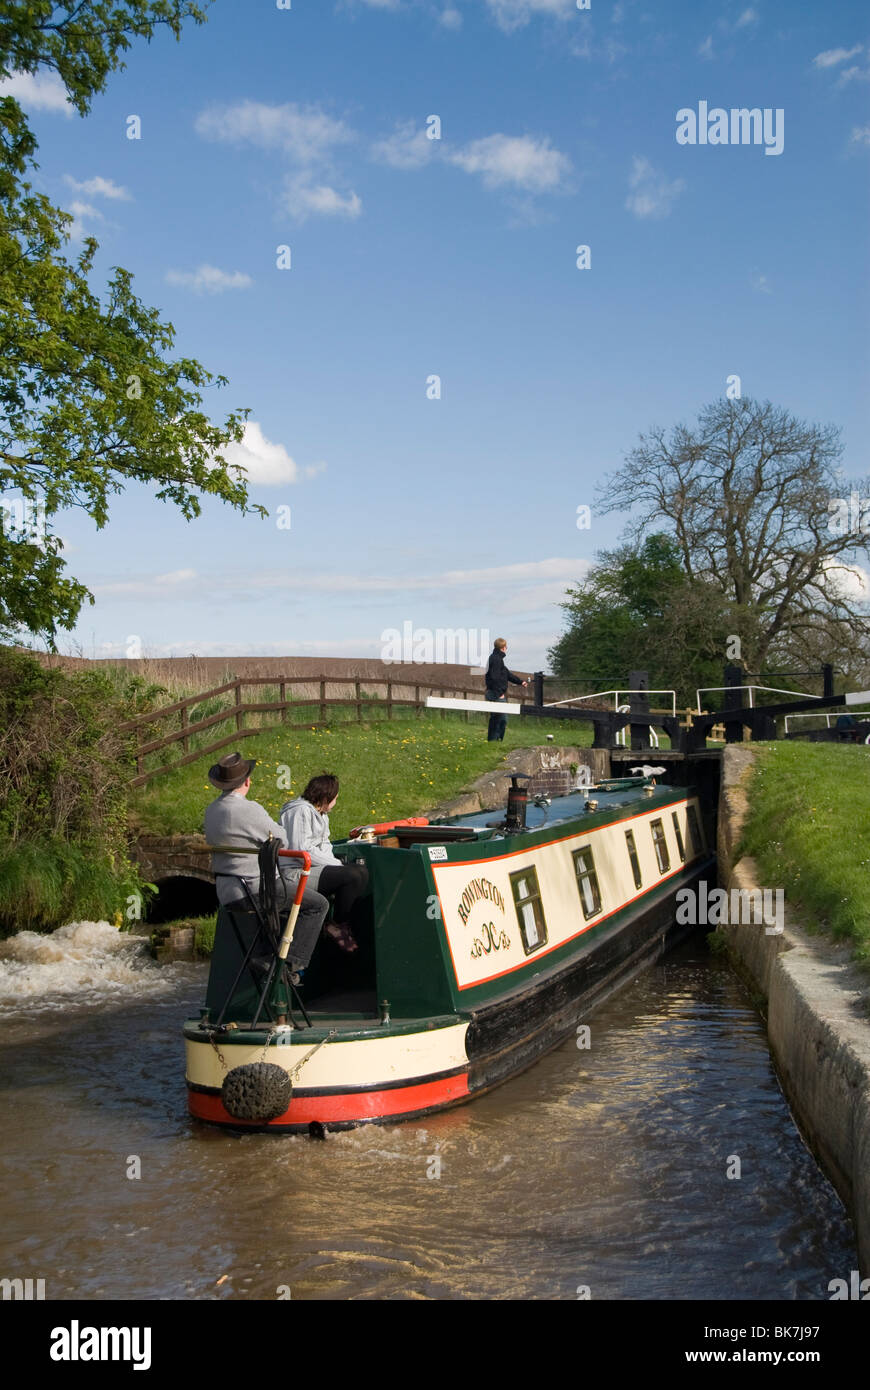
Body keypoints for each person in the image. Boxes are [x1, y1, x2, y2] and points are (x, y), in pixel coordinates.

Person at [203, 752, 329, 977]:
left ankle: (268, 955)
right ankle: (286, 964)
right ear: (248, 781)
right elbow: (283, 838)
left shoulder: (211, 810)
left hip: (226, 893)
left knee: (287, 905)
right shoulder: (248, 809)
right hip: (254, 891)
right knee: (318, 905)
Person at [280, 773, 369, 954]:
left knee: (361, 872)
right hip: (295, 872)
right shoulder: (299, 812)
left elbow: (325, 844)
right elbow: (300, 850)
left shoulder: (321, 815)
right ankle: (336, 927)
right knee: (350, 876)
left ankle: (340, 924)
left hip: (312, 867)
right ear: (325, 798)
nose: (336, 803)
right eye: (335, 798)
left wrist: (334, 863)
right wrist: (336, 866)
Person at [484, 638, 528, 741]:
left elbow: (507, 674)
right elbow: (494, 678)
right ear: (503, 648)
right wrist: (499, 693)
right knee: (500, 719)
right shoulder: (496, 660)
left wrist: (521, 682)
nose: (506, 648)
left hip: (496, 693)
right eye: (506, 647)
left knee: (498, 718)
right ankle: (495, 741)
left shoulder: (497, 659)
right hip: (496, 694)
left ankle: (494, 741)